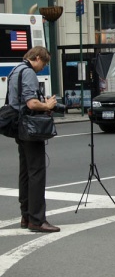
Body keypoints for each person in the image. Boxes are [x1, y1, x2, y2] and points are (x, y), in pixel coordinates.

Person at [7, 46, 60, 233]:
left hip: (18, 127)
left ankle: (26, 216)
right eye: (43, 63)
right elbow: (31, 103)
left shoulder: (15, 70)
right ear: (37, 58)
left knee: (25, 172)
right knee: (36, 173)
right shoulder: (28, 72)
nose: (43, 68)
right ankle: (37, 220)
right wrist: (48, 104)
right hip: (30, 127)